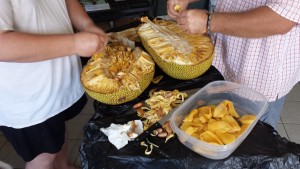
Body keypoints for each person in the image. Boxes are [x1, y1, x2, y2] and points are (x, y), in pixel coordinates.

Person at [0, 0, 107, 169]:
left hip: (56, 82)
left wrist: (87, 25)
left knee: (58, 135)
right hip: (27, 95)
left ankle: (62, 166)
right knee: (43, 158)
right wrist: (75, 43)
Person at [167, 0, 300, 128]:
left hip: (257, 76)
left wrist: (208, 21)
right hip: (221, 64)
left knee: (252, 142)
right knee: (213, 130)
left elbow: (279, 20)